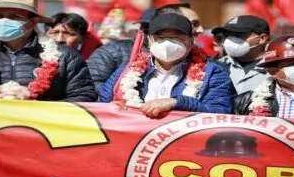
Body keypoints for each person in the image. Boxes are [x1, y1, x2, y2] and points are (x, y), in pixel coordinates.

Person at [0, 0, 97, 102]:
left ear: (32, 23)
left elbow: (84, 96)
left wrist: (38, 112)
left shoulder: (65, 56)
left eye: (15, 16)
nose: (4, 21)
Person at [98, 13, 234, 117]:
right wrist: (114, 109)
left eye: (177, 38)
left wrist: (177, 103)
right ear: (149, 40)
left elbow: (220, 113)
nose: (167, 44)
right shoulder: (126, 72)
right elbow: (101, 108)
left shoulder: (212, 74)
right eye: (160, 38)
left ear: (191, 40)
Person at [87, 8, 156, 93]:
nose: (149, 31)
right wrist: (120, 95)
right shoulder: (113, 50)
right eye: (146, 27)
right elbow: (91, 83)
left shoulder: (173, 54)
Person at [212, 15, 270, 95]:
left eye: (238, 35)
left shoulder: (276, 69)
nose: (231, 40)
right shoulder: (216, 66)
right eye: (227, 35)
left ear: (262, 38)